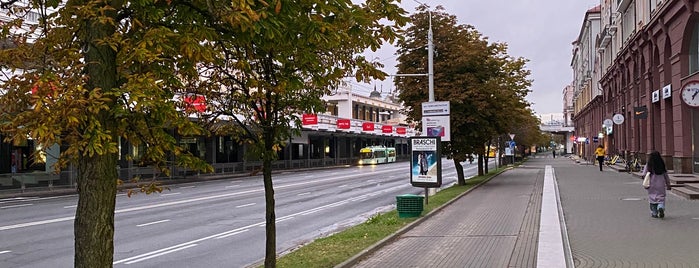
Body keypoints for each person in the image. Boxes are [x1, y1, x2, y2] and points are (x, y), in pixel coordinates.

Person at [642, 151, 672, 218]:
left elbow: (643, 174)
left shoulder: (648, 165)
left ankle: (654, 212)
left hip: (651, 184)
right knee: (661, 198)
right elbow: (666, 175)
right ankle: (660, 207)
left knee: (652, 198)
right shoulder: (661, 164)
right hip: (660, 184)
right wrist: (668, 184)